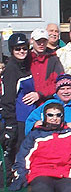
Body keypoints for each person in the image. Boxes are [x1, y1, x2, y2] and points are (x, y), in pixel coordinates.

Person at [0, 33, 36, 180]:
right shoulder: (11, 69)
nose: (21, 51)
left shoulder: (25, 65)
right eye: (17, 49)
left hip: (29, 116)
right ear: (11, 50)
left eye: (24, 48)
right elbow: (7, 99)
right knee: (17, 152)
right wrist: (10, 124)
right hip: (18, 119)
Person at [29, 28, 64, 104]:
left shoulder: (53, 59)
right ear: (32, 40)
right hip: (28, 102)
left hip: (48, 102)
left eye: (44, 41)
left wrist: (40, 94)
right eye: (38, 41)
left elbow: (59, 82)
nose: (41, 44)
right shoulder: (26, 59)